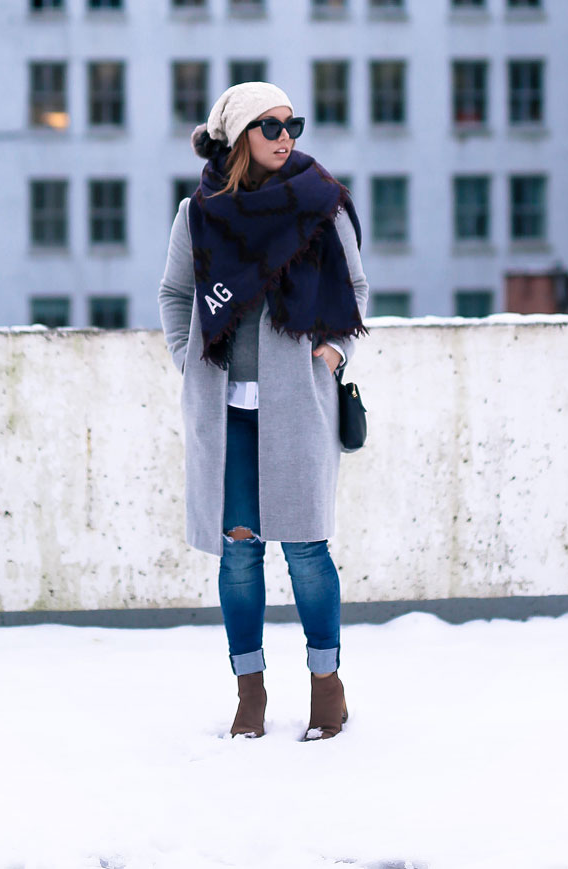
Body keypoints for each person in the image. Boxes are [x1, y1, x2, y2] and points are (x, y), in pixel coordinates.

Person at [158, 81, 369, 742]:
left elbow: (355, 291)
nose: (286, 137)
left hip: (298, 408)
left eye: (292, 124)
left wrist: (330, 358)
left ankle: (326, 685)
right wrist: (187, 361)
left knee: (307, 548)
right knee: (239, 552)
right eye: (271, 126)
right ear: (238, 136)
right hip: (225, 414)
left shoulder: (319, 205)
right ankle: (250, 690)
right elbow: (174, 293)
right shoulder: (198, 214)